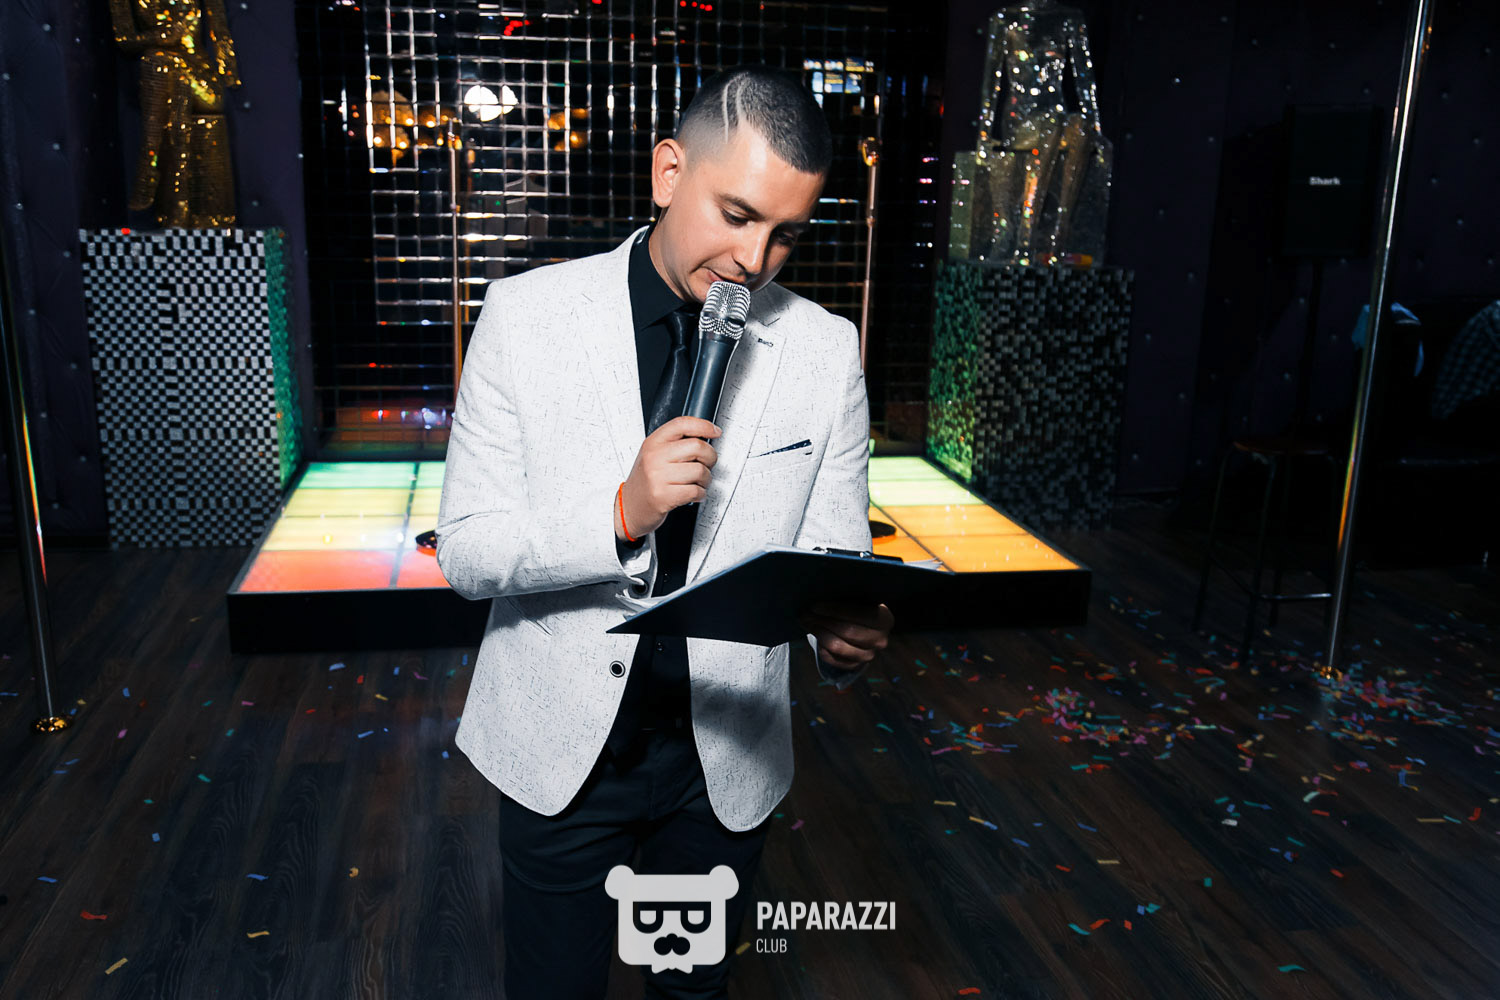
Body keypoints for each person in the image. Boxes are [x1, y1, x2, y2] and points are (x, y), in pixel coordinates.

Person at [435, 64, 894, 998]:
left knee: (692, 991)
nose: (755, 261)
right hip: (561, 752)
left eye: (785, 234)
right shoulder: (525, 318)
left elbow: (831, 560)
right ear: (668, 172)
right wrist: (619, 514)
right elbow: (470, 552)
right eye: (737, 215)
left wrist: (840, 631)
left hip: (720, 764)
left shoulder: (824, 349)